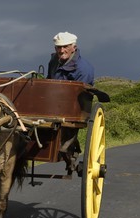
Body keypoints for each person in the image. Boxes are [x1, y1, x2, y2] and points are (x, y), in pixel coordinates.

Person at [46, 32, 95, 174]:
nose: (61, 51)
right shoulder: (54, 61)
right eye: (58, 47)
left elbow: (80, 95)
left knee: (66, 137)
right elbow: (49, 82)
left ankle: (70, 153)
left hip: (73, 108)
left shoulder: (83, 68)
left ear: (74, 47)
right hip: (53, 105)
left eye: (65, 47)